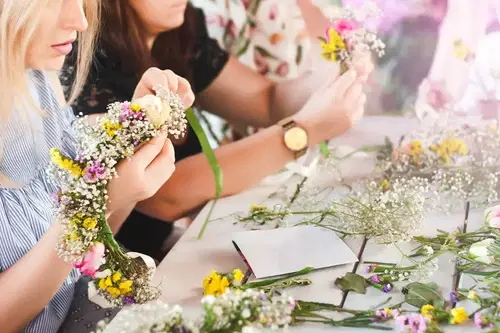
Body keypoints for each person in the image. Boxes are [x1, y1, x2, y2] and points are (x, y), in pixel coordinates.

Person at [63, 0, 373, 261]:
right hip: (116, 272)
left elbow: (266, 101)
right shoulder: (85, 60)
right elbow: (160, 194)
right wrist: (301, 132)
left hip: (172, 250)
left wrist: (338, 75)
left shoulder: (179, 31)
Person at [0, 0, 194, 332]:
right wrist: (96, 205)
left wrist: (131, 134)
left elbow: (83, 259)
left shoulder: (37, 78)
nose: (80, 21)